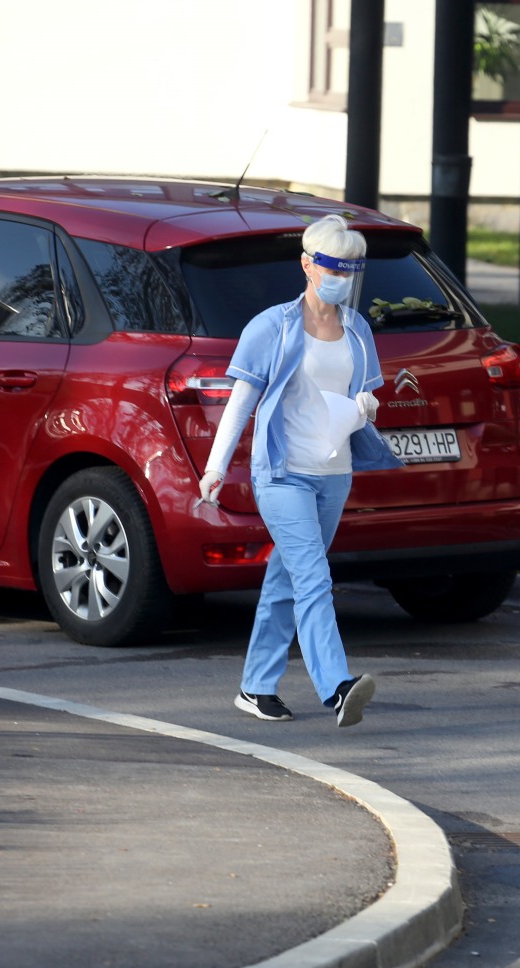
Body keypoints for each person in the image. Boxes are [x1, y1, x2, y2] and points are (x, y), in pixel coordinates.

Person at [199, 213, 400, 728]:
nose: (342, 278)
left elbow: (362, 392)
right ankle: (336, 687)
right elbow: (242, 402)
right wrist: (215, 469)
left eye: (351, 270)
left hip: (335, 471)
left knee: (286, 578)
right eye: (334, 267)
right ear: (308, 264)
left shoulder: (356, 328)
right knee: (313, 577)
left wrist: (365, 406)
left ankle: (255, 686)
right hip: (283, 474)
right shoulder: (272, 326)